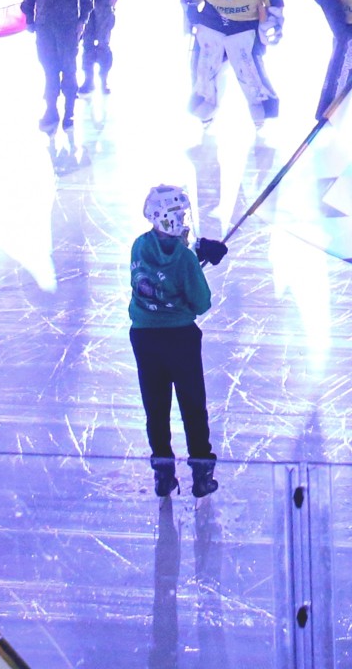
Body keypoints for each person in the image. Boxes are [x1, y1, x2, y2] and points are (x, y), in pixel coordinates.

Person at [129, 184, 226, 499]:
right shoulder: (184, 259)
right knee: (192, 406)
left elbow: (162, 268)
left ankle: (163, 474)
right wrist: (196, 261)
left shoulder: (139, 246)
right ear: (168, 218)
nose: (184, 220)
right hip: (180, 339)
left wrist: (195, 254)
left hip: (144, 337)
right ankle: (201, 474)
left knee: (155, 408)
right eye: (180, 216)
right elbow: (201, 301)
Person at [24, 0, 97, 130]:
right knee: (49, 69)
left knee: (68, 68)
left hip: (67, 26)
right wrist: (29, 19)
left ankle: (69, 111)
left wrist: (82, 20)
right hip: (44, 26)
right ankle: (51, 110)